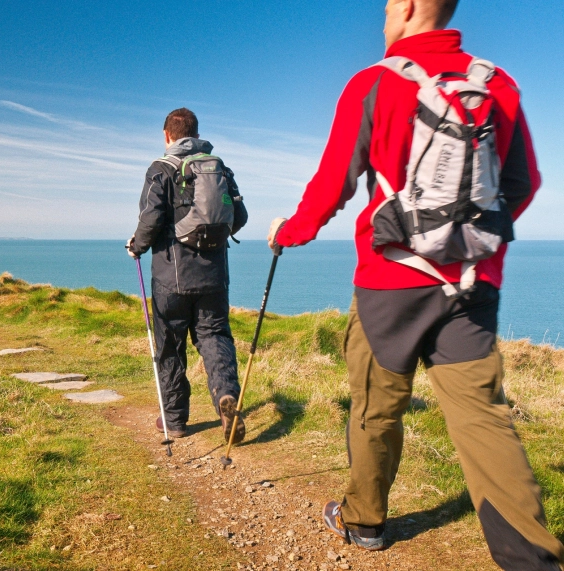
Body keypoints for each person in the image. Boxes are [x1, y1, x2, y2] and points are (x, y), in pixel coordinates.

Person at [267, 0, 564, 568]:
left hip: (390, 281)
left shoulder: (374, 83)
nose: (383, 18)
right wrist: (469, 244)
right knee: (482, 418)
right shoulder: (497, 84)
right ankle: (532, 558)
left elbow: (334, 183)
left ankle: (365, 521)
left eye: (385, 7)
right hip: (473, 284)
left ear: (405, 7)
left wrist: (290, 233)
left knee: (377, 406)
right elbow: (523, 184)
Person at [127, 107, 248, 443]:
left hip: (171, 278)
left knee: (170, 346)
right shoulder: (219, 168)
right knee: (215, 337)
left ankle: (175, 420)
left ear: (167, 135)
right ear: (196, 134)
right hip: (214, 277)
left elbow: (150, 221)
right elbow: (239, 217)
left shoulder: (161, 170)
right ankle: (227, 397)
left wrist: (136, 246)